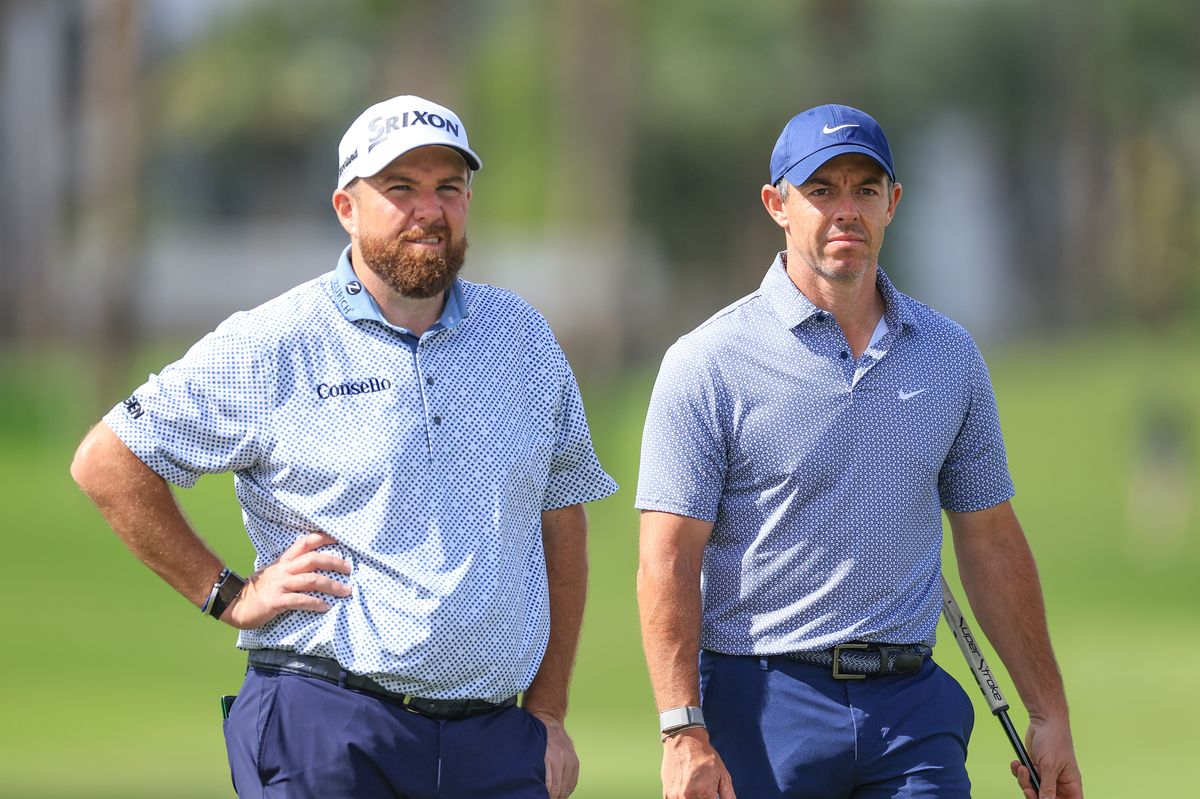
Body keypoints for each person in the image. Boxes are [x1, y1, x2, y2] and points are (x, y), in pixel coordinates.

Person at [70, 94, 617, 799]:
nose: (429, 210)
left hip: (493, 743)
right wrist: (226, 593)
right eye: (400, 189)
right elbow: (109, 459)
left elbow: (561, 519)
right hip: (325, 725)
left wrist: (547, 712)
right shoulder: (275, 341)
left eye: (448, 188)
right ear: (345, 207)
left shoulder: (522, 338)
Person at [635, 104, 1084, 799]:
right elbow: (668, 557)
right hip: (763, 701)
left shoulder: (949, 355)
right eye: (821, 190)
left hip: (911, 710)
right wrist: (682, 729)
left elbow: (991, 541)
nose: (845, 210)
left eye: (865, 189)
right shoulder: (709, 362)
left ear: (892, 203)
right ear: (777, 204)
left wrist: (1048, 710)